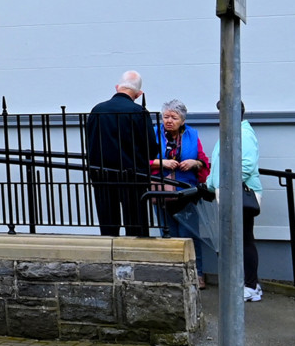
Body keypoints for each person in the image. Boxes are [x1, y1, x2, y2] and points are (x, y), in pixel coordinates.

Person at [87, 71, 154, 237]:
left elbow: (90, 141)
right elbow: (150, 147)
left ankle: (109, 250)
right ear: (139, 94)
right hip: (133, 176)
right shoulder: (138, 112)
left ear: (117, 87)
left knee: (108, 227)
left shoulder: (97, 110)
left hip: (102, 175)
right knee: (136, 226)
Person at [148, 99, 211, 255]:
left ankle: (196, 268)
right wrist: (161, 163)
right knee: (168, 235)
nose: (169, 121)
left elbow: (203, 160)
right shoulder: (152, 134)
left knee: (189, 235)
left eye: (174, 118)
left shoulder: (192, 135)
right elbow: (140, 160)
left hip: (186, 192)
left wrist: (194, 163)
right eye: (166, 117)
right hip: (161, 192)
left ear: (182, 121)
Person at [235, 106, 263, 301]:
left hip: (240, 193)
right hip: (236, 191)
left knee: (244, 240)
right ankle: (252, 285)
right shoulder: (238, 132)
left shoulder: (243, 133)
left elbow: (247, 164)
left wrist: (225, 183)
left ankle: (251, 286)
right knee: (243, 239)